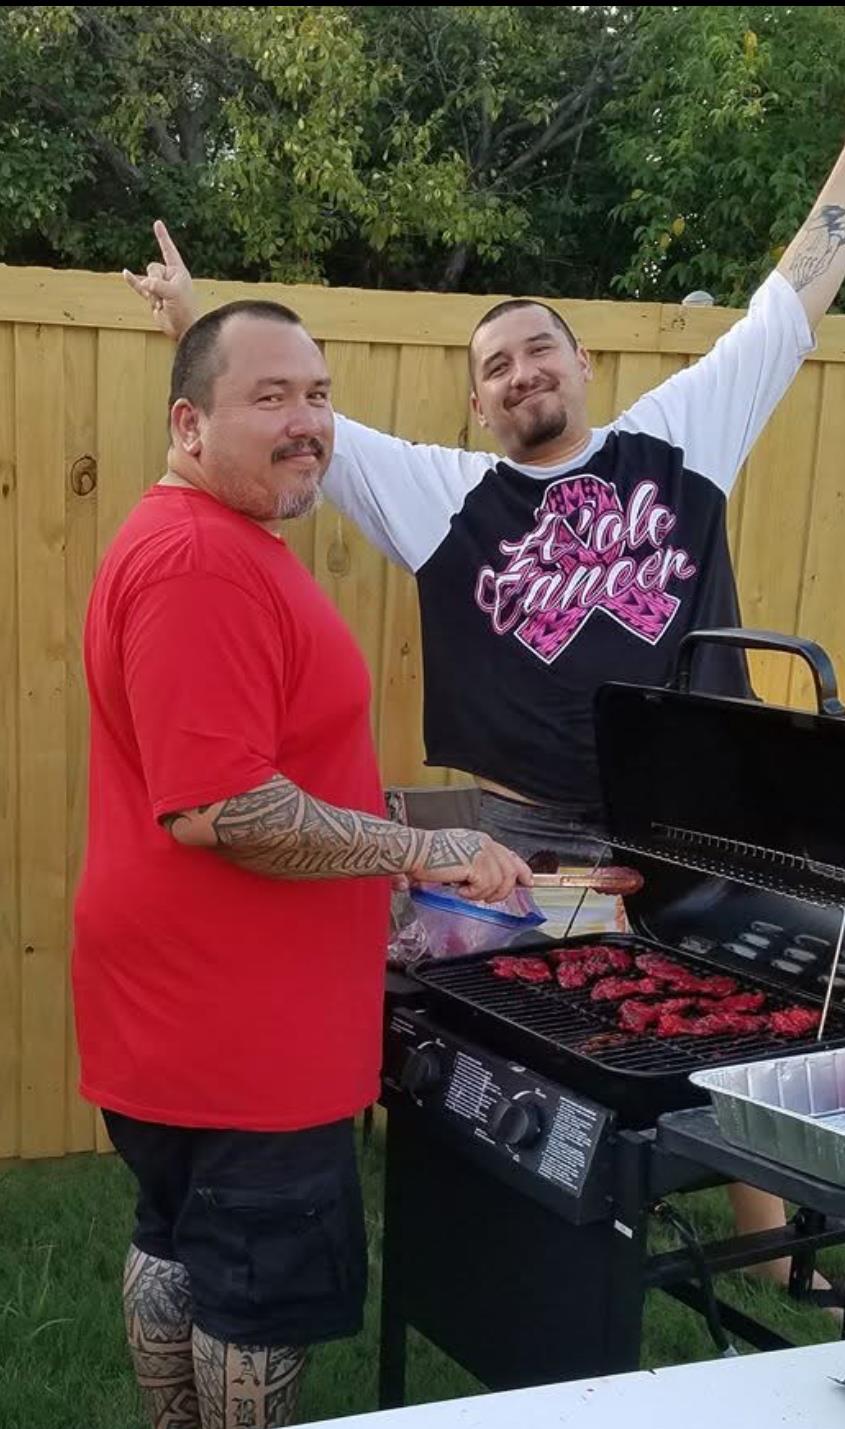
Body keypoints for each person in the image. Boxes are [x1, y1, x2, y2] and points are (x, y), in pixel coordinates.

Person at [125, 29, 845, 1308]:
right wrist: (191, 320)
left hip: (705, 804)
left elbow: (793, 298)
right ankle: (547, 1259)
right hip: (531, 823)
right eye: (495, 367)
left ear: (584, 367)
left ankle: (772, 1253)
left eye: (538, 350)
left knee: (740, 1019)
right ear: (478, 407)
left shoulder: (684, 434)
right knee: (556, 1036)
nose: (521, 374)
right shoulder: (443, 495)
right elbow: (283, 420)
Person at [73, 299, 528, 1429]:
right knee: (256, 1288)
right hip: (242, 1021)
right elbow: (224, 806)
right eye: (270, 397)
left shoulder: (219, 542)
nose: (305, 422)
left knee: (177, 1237)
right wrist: (428, 846)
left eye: (317, 396)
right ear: (189, 422)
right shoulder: (199, 565)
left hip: (189, 1003)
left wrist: (376, 862)